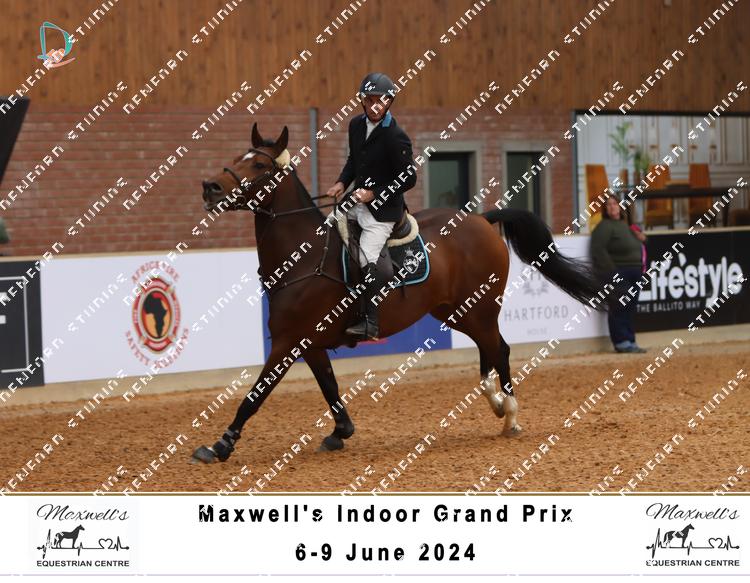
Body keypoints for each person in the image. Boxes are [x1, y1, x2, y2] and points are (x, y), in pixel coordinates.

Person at [326, 72, 416, 340]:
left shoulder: (396, 136)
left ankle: (371, 322)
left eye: (381, 100)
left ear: (389, 102)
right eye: (370, 100)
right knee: (326, 230)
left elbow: (409, 179)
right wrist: (342, 182)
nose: (375, 105)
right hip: (356, 201)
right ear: (362, 101)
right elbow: (354, 161)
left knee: (365, 257)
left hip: (384, 211)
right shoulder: (355, 125)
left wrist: (374, 193)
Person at [590, 195, 647, 353]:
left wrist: (642, 239)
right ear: (605, 209)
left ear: (620, 207)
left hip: (635, 271)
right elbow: (598, 249)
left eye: (615, 203)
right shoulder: (604, 227)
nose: (612, 207)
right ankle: (621, 341)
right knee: (620, 306)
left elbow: (641, 242)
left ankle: (630, 340)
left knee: (630, 307)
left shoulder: (626, 225)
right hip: (619, 271)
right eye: (608, 205)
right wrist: (612, 271)